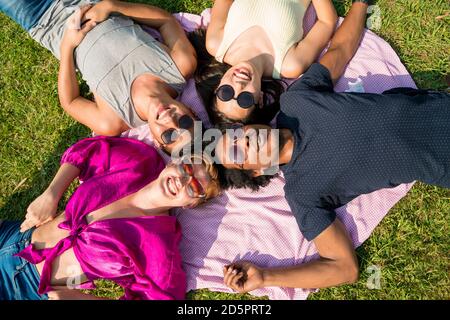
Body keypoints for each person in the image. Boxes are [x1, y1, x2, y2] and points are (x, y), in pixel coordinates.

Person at [213, 0, 450, 292]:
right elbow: (344, 267)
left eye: (237, 135)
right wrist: (265, 277)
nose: (245, 140)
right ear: (257, 171)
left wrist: (360, 5)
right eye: (239, 152)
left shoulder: (296, 101)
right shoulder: (303, 193)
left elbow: (339, 51)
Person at [0, 136, 221, 300]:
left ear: (190, 204)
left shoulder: (159, 247)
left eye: (193, 187)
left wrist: (76, 298)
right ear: (174, 163)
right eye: (187, 168)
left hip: (24, 289)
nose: (182, 180)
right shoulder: (141, 163)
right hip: (14, 235)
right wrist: (52, 194)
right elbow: (87, 151)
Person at [0, 0, 198, 154]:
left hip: (44, 21)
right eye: (185, 123)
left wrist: (67, 45)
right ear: (191, 111)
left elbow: (70, 101)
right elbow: (166, 21)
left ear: (156, 140)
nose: (172, 122)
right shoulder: (181, 66)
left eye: (170, 135)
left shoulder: (113, 121)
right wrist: (111, 6)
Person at [191, 0, 337, 125]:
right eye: (245, 99)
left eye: (226, 92)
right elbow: (327, 22)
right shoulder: (289, 64)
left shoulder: (216, 44)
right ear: (260, 98)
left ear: (218, 86)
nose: (238, 85)